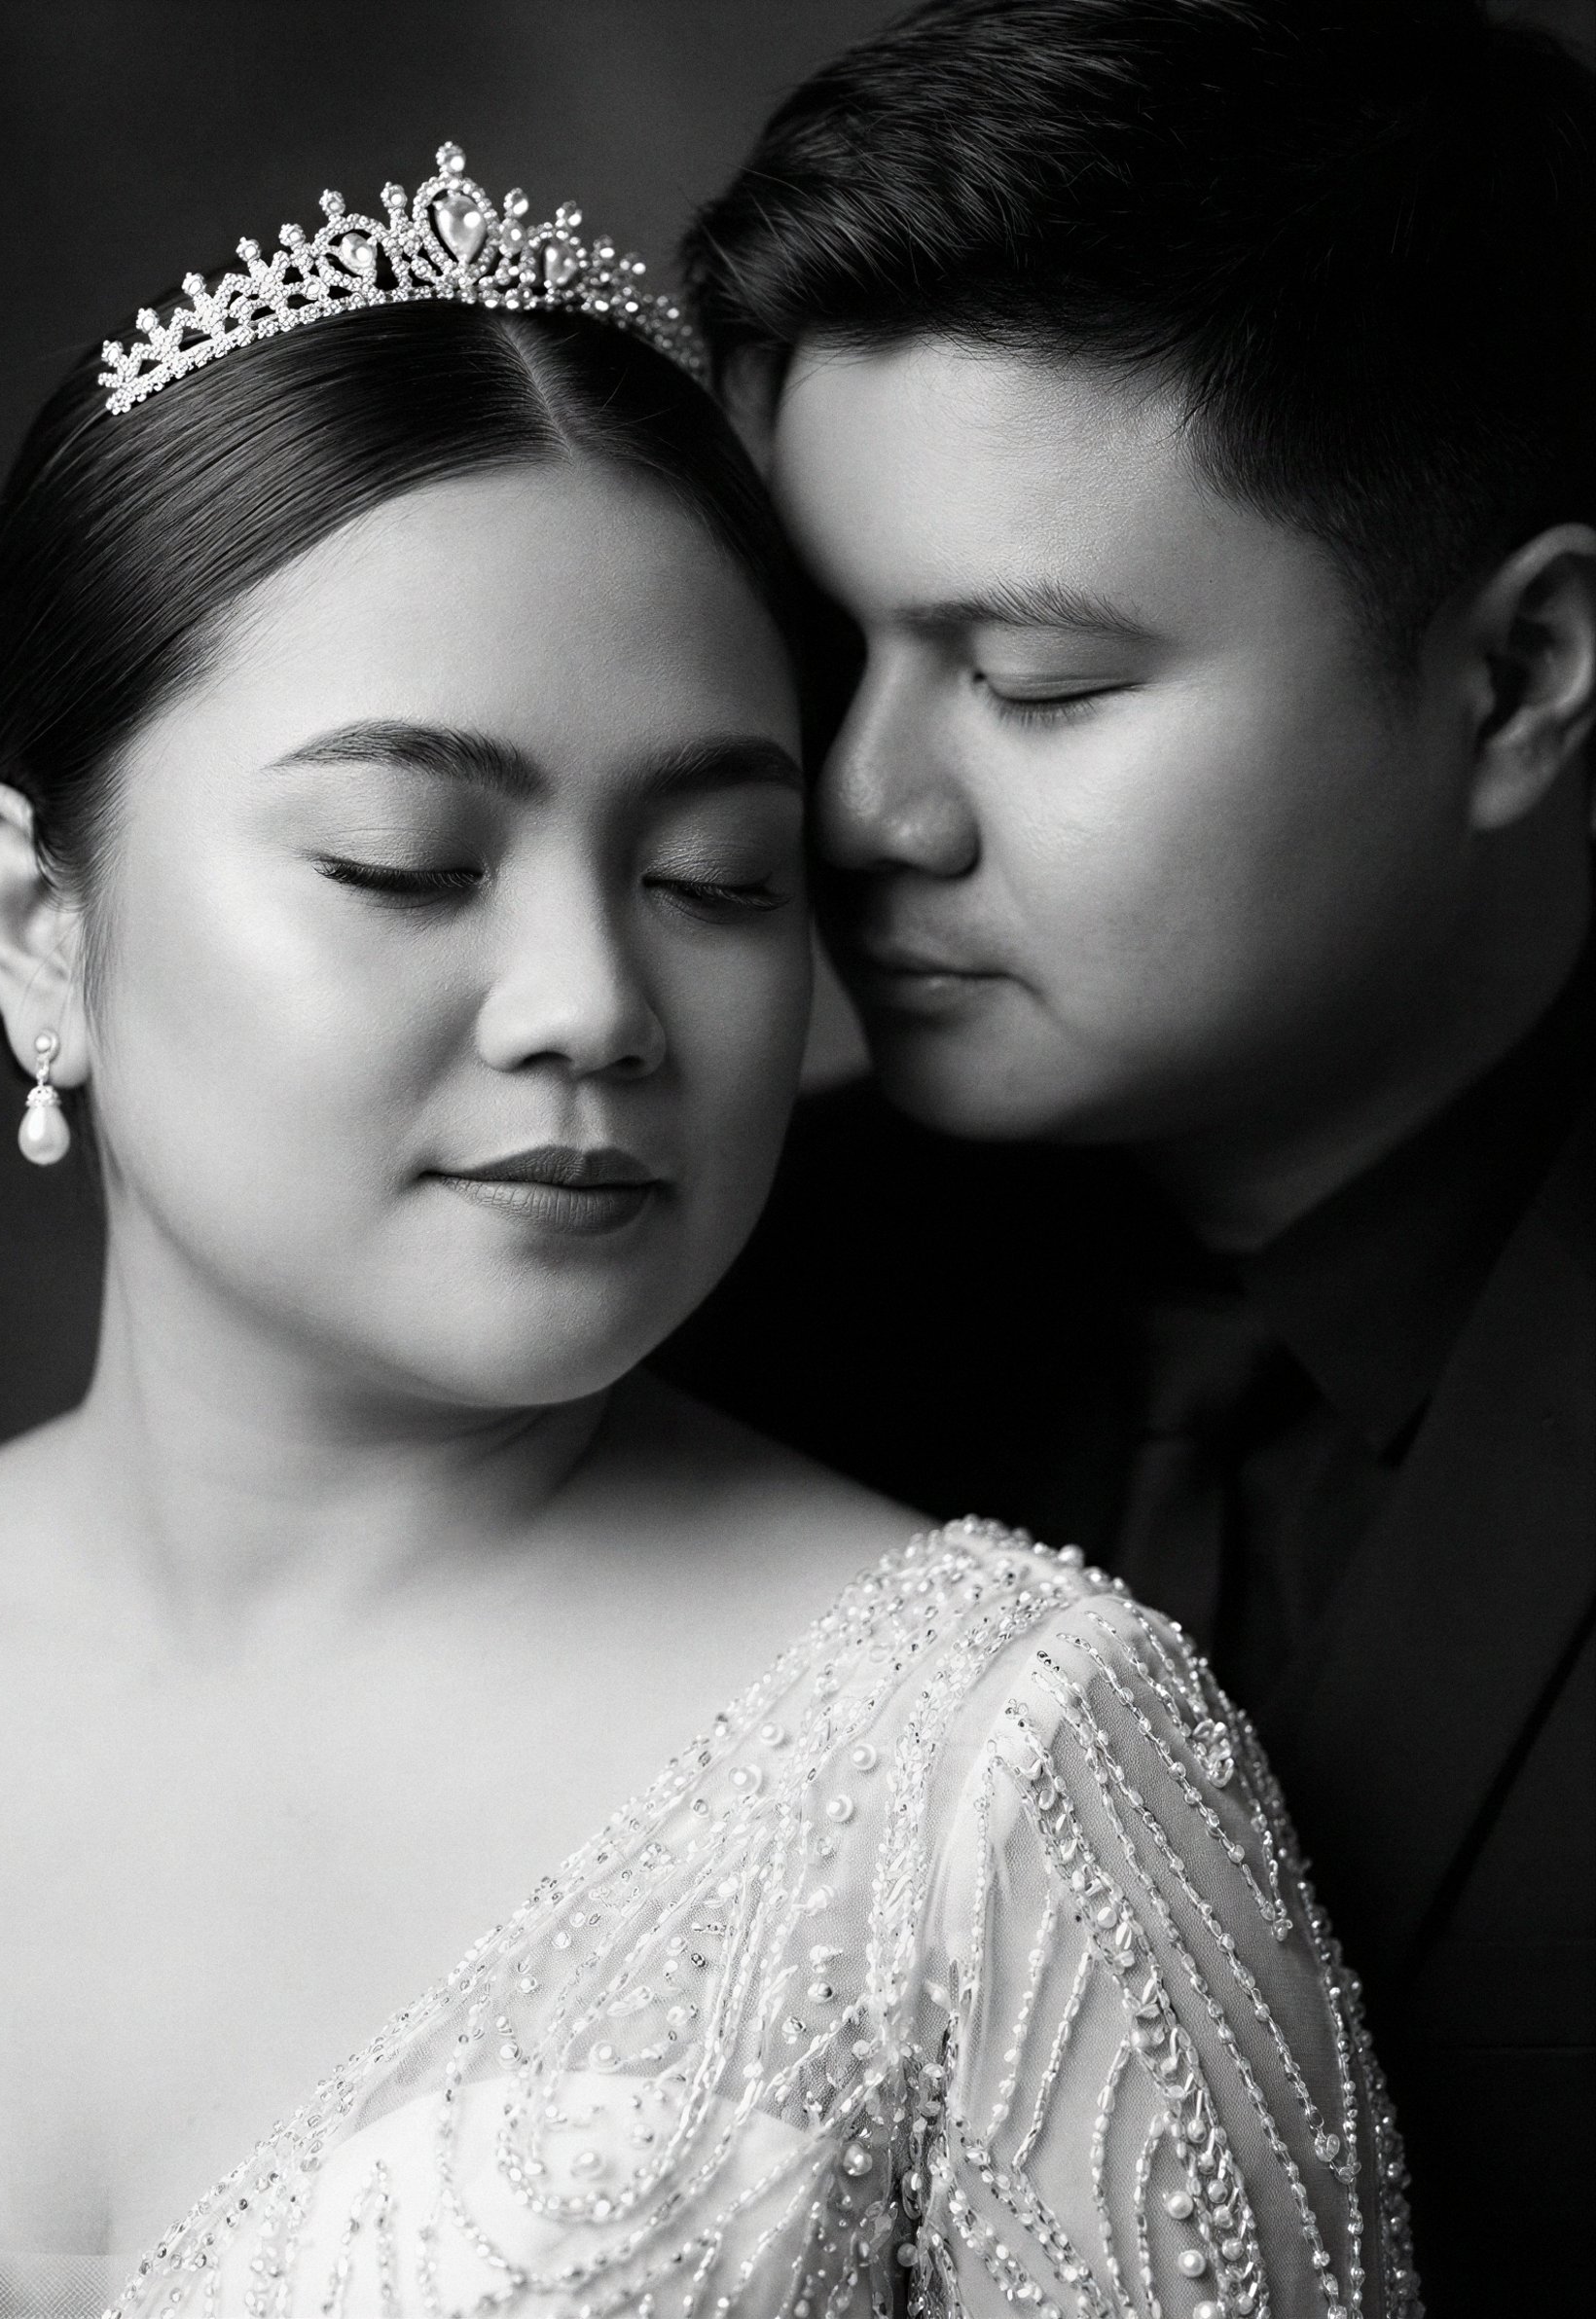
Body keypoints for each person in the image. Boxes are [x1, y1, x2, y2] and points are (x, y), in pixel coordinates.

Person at [0, 145, 1414, 2319]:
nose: (596, 1007)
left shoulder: (1004, 1786)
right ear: (39, 923)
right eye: (410, 859)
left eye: (714, 878)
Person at [657, 2, 1596, 2310]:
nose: (868, 807)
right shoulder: (696, 1309)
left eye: (1042, 687)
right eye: (827, 651)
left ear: (1520, 674)